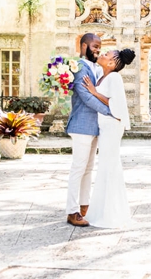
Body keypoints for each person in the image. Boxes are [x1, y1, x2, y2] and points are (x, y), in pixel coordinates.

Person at [65, 33, 115, 227]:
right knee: (78, 169)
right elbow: (86, 97)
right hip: (81, 126)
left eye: (99, 46)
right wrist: (111, 111)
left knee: (88, 169)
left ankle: (84, 206)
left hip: (94, 127)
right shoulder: (79, 67)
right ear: (84, 45)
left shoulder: (94, 68)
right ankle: (72, 211)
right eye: (94, 46)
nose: (97, 49)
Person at [82, 48, 135, 228]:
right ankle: (101, 211)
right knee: (105, 166)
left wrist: (94, 92)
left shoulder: (114, 77)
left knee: (109, 166)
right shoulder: (103, 76)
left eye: (106, 55)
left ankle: (111, 214)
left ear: (112, 63)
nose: (102, 54)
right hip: (105, 126)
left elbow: (116, 102)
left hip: (112, 126)